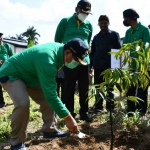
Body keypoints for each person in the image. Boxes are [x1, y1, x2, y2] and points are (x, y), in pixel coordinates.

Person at [0, 38, 88, 150]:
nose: (75, 63)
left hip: (31, 75)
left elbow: (50, 94)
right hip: (12, 73)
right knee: (23, 103)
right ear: (67, 52)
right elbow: (51, 94)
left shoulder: (60, 51)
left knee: (49, 100)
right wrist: (69, 118)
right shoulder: (48, 59)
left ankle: (49, 130)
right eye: (76, 59)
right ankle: (16, 143)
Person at [54, 0, 93, 122]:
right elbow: (57, 40)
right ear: (76, 9)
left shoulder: (89, 25)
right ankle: (70, 113)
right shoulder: (65, 22)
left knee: (84, 88)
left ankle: (84, 112)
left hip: (84, 60)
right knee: (68, 88)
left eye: (87, 13)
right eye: (83, 12)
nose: (85, 15)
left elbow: (88, 40)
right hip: (69, 61)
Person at [90, 15, 121, 113]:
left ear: (108, 23)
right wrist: (91, 65)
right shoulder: (96, 37)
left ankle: (110, 107)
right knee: (98, 87)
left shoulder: (114, 35)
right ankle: (98, 107)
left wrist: (117, 65)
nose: (103, 25)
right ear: (98, 24)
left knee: (110, 87)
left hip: (110, 66)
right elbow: (93, 52)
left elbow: (119, 50)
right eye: (101, 23)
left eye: (105, 23)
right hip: (98, 66)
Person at [122, 9, 150, 116]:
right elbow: (124, 50)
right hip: (131, 67)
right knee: (130, 90)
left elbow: (147, 48)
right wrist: (121, 66)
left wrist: (142, 65)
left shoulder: (144, 30)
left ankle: (141, 113)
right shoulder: (128, 32)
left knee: (142, 91)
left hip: (143, 67)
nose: (124, 20)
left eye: (124, 18)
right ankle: (130, 111)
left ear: (129, 18)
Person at [0, 32, 13, 108]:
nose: (0, 38)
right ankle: (1, 103)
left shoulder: (6, 46)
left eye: (1, 37)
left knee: (10, 84)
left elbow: (11, 57)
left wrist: (7, 61)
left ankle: (16, 100)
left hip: (6, 70)